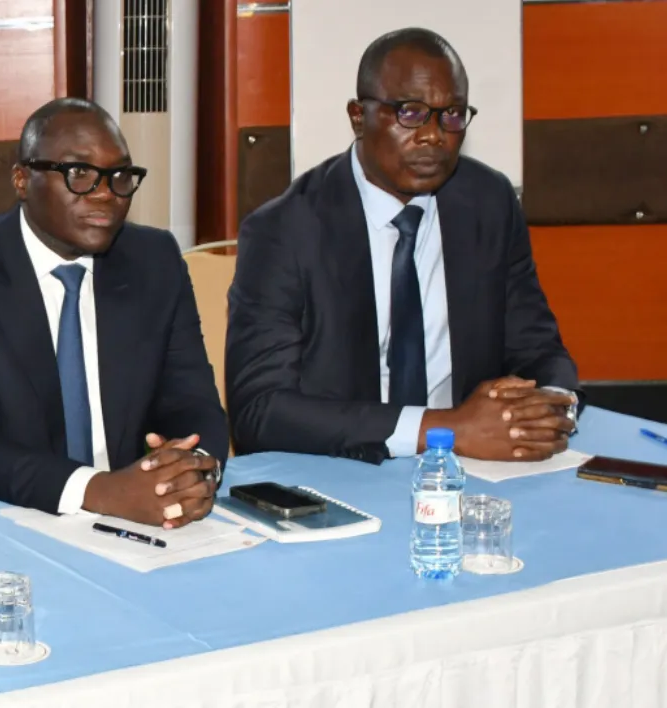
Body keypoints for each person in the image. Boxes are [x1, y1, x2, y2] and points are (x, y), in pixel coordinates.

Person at [226, 28, 580, 465]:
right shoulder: (285, 230)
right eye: (411, 113)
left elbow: (536, 347)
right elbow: (260, 411)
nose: (434, 135)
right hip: (345, 467)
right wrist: (447, 429)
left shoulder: (488, 203)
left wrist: (553, 407)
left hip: (471, 469)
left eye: (452, 115)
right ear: (359, 117)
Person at [0, 98, 225, 529]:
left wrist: (192, 471)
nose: (105, 194)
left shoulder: (155, 260)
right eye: (79, 173)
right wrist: (101, 492)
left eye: (119, 176)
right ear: (23, 179)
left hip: (134, 517)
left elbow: (193, 401)